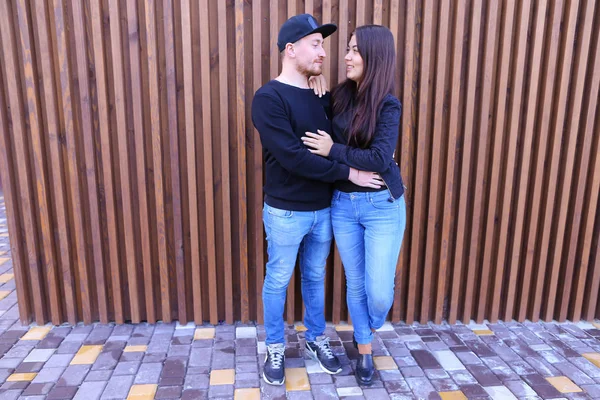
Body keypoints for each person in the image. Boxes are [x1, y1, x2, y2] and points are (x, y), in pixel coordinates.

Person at [251, 15, 383, 386]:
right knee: (277, 279)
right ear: (291, 50)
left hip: (323, 209)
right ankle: (275, 345)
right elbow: (295, 157)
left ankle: (315, 338)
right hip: (285, 210)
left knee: (314, 277)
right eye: (315, 44)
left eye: (324, 45)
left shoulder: (325, 96)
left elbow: (347, 132)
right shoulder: (268, 98)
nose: (323, 52)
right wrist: (349, 173)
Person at [303, 25, 406, 385]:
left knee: (377, 292)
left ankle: (372, 323)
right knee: (356, 284)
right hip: (343, 205)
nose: (345, 57)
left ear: (374, 57)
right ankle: (364, 352)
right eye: (347, 49)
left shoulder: (388, 105)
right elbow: (316, 123)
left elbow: (379, 158)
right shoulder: (339, 97)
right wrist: (316, 91)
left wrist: (335, 150)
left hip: (382, 205)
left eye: (354, 51)